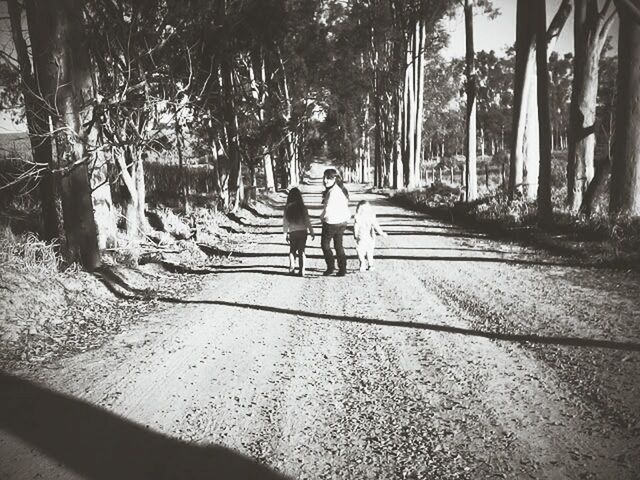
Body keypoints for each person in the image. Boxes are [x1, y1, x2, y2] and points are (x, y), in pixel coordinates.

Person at [320, 168, 350, 276]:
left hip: (331, 222)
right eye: (324, 178)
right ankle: (342, 269)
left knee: (325, 245)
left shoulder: (332, 192)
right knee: (338, 245)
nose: (325, 180)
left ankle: (330, 267)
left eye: (328, 178)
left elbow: (327, 209)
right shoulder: (341, 189)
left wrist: (322, 218)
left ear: (335, 179)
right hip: (342, 222)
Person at [283, 187, 315, 276]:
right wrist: (311, 231)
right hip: (303, 232)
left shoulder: (287, 208)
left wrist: (285, 233)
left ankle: (292, 268)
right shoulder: (303, 207)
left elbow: (285, 222)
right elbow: (307, 221)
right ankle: (302, 270)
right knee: (302, 251)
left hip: (293, 232)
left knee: (292, 251)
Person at [353, 200, 387, 272]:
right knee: (370, 251)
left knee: (360, 251)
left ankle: (362, 264)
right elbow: (376, 226)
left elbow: (356, 227)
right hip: (370, 237)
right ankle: (370, 265)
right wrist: (382, 233)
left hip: (361, 237)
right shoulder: (371, 217)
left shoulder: (358, 217)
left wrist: (355, 235)